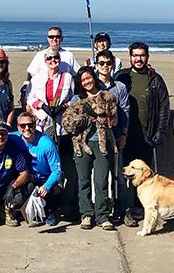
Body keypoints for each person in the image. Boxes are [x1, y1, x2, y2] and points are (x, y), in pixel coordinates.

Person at [115, 42, 170, 227]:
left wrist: (161, 131)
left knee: (145, 177)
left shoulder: (156, 80)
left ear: (147, 57)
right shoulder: (121, 77)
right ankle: (125, 209)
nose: (138, 59)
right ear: (130, 57)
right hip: (125, 135)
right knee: (123, 175)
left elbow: (164, 108)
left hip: (148, 136)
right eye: (135, 55)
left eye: (142, 55)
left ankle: (142, 208)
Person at [0, 112, 62, 226]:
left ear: (35, 124)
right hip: (27, 177)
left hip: (45, 178)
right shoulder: (15, 137)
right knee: (17, 191)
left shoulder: (47, 144)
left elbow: (57, 171)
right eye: (23, 125)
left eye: (30, 125)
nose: (27, 128)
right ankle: (9, 209)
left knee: (55, 191)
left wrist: (46, 186)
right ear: (18, 127)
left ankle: (50, 211)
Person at [26, 48, 78, 220]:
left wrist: (63, 107)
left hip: (62, 128)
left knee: (60, 168)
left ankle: (58, 208)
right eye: (49, 58)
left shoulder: (67, 77)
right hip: (43, 127)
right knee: (44, 169)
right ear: (45, 60)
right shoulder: (37, 78)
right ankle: (44, 208)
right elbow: (29, 99)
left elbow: (73, 98)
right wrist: (42, 106)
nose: (53, 61)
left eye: (56, 58)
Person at [69, 67, 117, 231]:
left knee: (101, 180)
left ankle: (102, 215)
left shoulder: (106, 96)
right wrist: (86, 118)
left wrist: (108, 118)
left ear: (94, 78)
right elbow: (69, 123)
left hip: (102, 144)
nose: (87, 82)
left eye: (89, 78)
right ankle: (86, 214)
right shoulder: (77, 99)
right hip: (82, 145)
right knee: (83, 181)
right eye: (83, 80)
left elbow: (114, 121)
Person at [91, 51, 131, 221]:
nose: (105, 66)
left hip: (115, 137)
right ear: (96, 65)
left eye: (108, 63)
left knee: (120, 177)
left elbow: (125, 112)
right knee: (100, 178)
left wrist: (123, 134)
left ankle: (123, 210)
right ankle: (102, 211)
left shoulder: (120, 87)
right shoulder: (93, 85)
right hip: (96, 138)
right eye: (101, 63)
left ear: (113, 64)